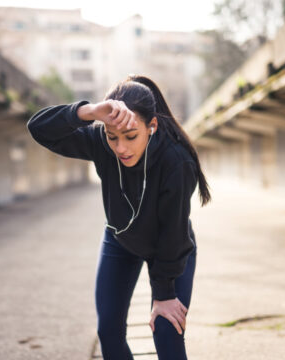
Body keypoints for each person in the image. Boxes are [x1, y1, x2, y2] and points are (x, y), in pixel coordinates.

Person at [27, 74, 211, 359]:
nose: (121, 148)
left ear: (152, 126)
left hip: (169, 247)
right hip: (120, 240)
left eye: (131, 136)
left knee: (166, 328)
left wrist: (163, 294)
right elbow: (39, 129)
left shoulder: (176, 160)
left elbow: (173, 234)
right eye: (113, 137)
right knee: (109, 334)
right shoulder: (101, 141)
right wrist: (88, 112)